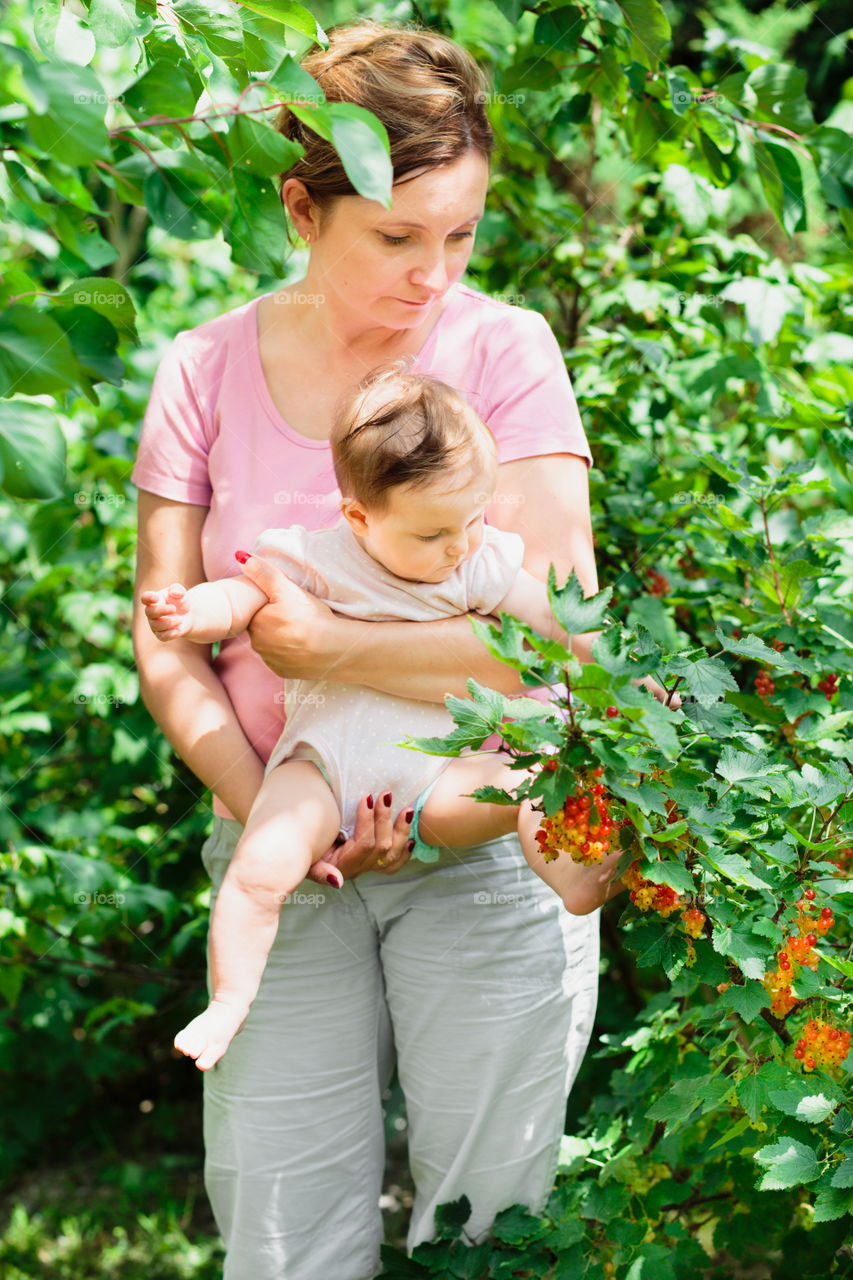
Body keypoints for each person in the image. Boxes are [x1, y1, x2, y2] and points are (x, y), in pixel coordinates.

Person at [131, 20, 678, 1278]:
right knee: (281, 1234)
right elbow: (167, 636)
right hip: (281, 846)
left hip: (485, 846)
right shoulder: (202, 368)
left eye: (460, 236)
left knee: (485, 1226)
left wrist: (325, 639)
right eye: (395, 235)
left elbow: (551, 643)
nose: (432, 275)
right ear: (302, 210)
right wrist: (273, 810)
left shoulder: (504, 354)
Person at [141, 368, 628, 1072]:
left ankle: (574, 878)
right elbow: (238, 600)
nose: (459, 544)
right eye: (433, 532)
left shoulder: (476, 561)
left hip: (436, 778)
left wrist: (636, 681)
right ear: (359, 517)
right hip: (321, 768)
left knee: (534, 779)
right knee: (256, 871)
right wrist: (191, 612)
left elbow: (561, 625)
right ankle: (228, 1002)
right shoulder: (314, 560)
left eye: (473, 517)